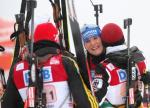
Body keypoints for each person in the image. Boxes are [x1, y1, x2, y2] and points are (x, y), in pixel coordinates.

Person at [2, 22, 98, 108]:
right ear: (55, 39)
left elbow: (6, 104)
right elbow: (86, 103)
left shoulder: (17, 69)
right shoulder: (65, 62)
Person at [93, 22, 149, 107]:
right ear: (123, 38)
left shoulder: (104, 67)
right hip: (139, 105)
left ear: (103, 43)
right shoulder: (139, 58)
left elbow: (96, 99)